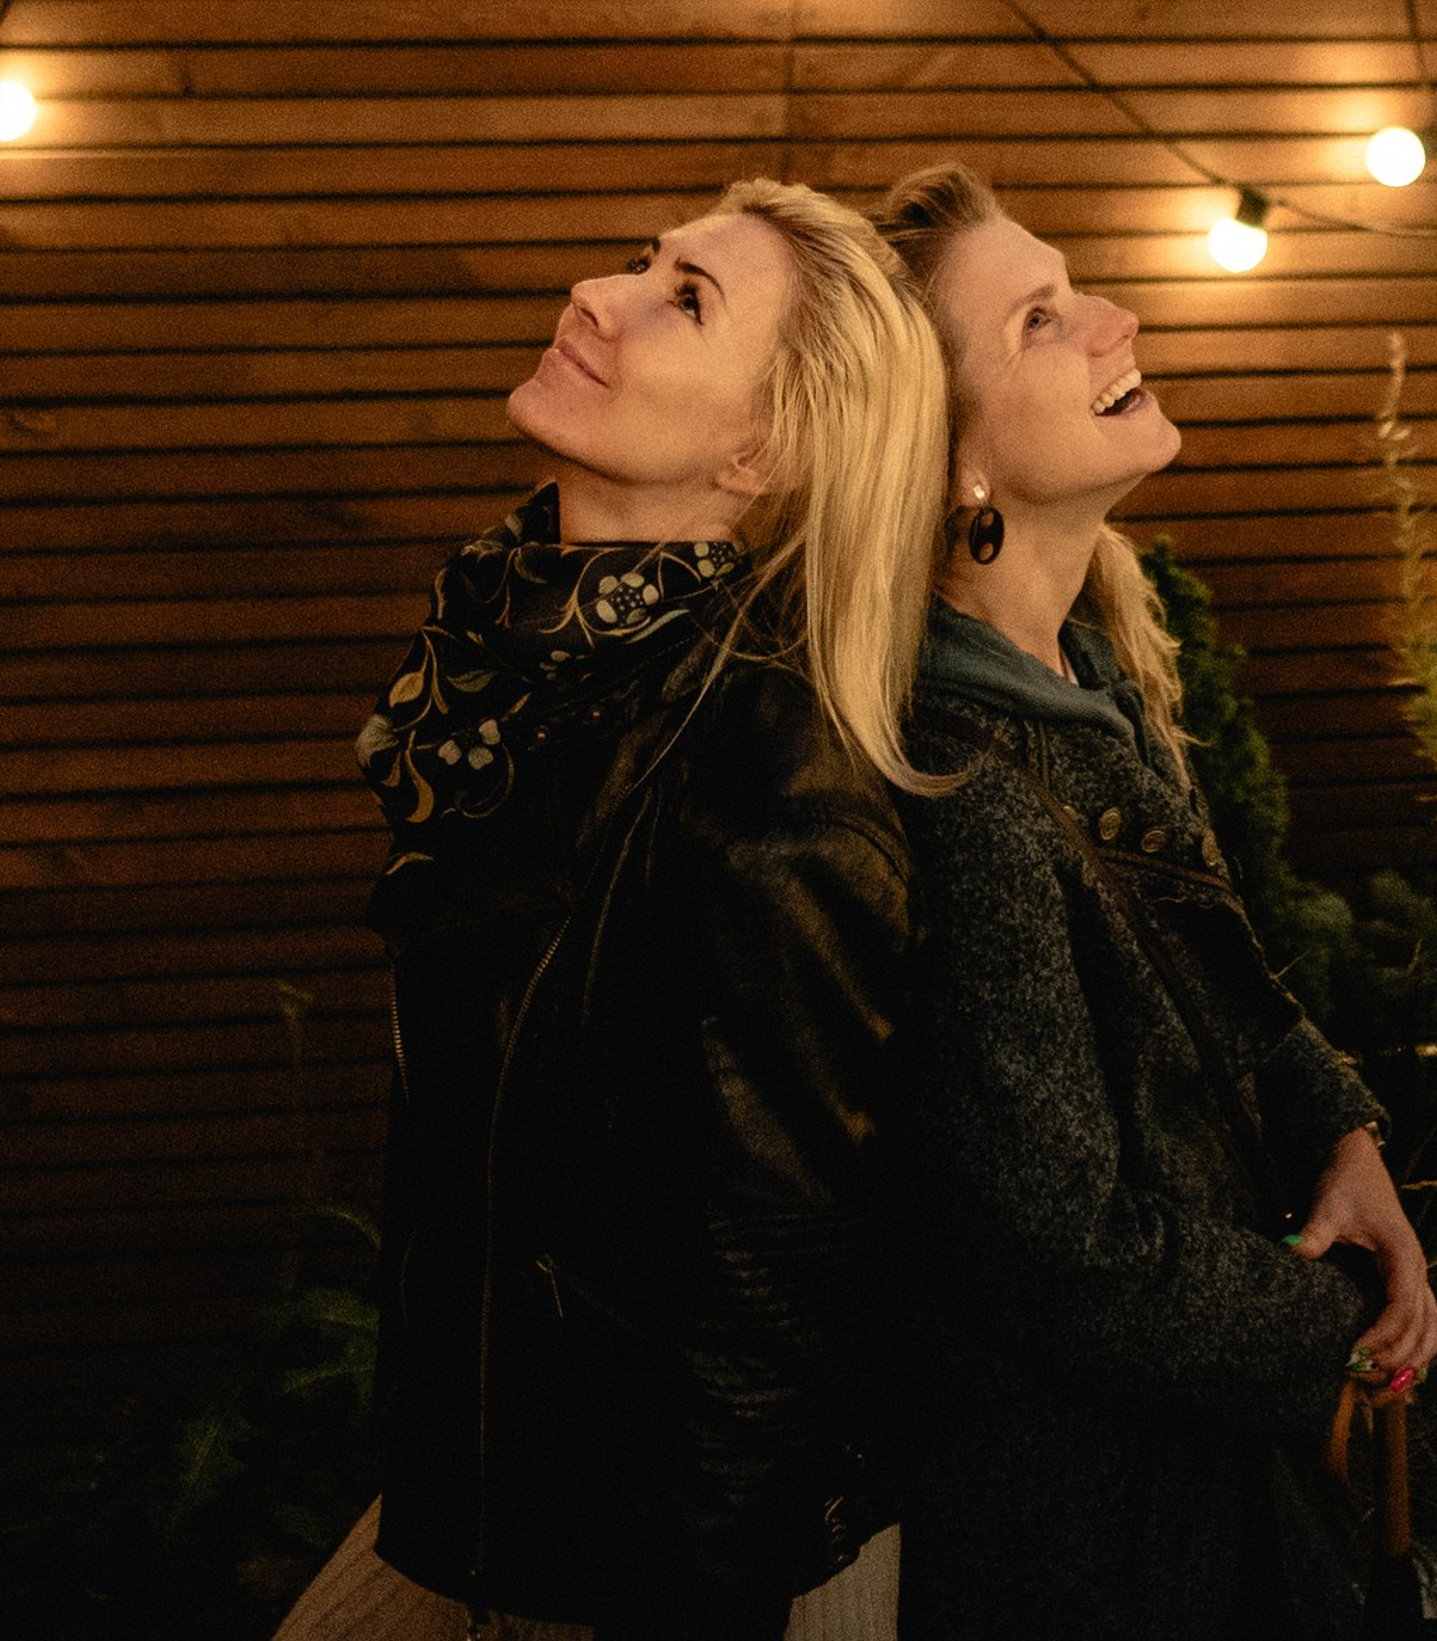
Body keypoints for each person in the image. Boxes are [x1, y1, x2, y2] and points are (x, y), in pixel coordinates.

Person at [282, 177, 943, 1641]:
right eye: (645, 262)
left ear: (763, 446)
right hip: (503, 1496)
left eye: (684, 299)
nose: (599, 293)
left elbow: (772, 1285)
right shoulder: (523, 670)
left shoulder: (772, 769)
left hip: (677, 1559)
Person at [873, 159, 1437, 1641]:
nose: (1122, 318)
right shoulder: (960, 777)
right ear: (951, 467)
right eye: (1043, 322)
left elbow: (1214, 972)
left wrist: (1338, 1125)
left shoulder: (1094, 672)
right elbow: (1066, 1252)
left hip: (1204, 1496)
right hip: (1103, 1550)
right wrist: (1341, 1335)